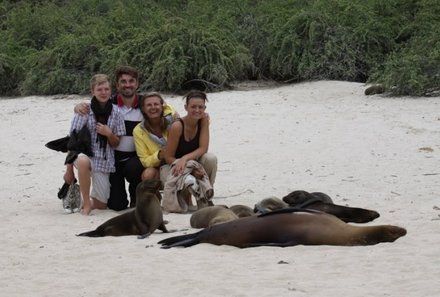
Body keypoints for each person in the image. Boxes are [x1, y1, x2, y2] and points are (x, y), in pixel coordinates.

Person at [75, 66, 146, 210]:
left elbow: (165, 111)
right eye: (123, 81)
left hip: (135, 158)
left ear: (137, 84)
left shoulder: (145, 104)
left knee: (135, 167)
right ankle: (87, 197)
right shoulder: (110, 104)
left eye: (131, 81)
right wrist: (78, 107)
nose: (128, 85)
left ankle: (136, 197)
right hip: (112, 159)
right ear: (117, 85)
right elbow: (92, 104)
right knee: (116, 205)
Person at [64, 74, 125, 215]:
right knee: (84, 161)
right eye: (99, 89)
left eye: (106, 89)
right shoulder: (84, 111)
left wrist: (108, 133)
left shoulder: (117, 113)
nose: (103, 93)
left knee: (101, 204)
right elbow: (72, 141)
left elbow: (116, 143)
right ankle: (86, 205)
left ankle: (82, 201)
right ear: (92, 91)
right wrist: (68, 170)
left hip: (104, 159)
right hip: (84, 154)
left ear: (111, 91)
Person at [161, 90, 217, 209]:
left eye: (200, 107)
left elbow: (203, 148)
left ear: (204, 108)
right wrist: (189, 170)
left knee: (210, 159)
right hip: (172, 166)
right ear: (186, 107)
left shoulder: (203, 120)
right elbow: (168, 157)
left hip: (190, 163)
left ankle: (205, 196)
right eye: (193, 107)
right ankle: (186, 196)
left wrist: (185, 159)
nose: (197, 110)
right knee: (182, 207)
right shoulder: (177, 126)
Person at [133, 92, 178, 181]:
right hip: (159, 166)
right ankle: (154, 195)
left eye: (156, 104)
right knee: (148, 174)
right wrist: (159, 155)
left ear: (162, 107)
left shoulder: (173, 120)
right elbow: (144, 161)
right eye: (149, 105)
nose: (153, 107)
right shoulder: (138, 130)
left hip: (178, 160)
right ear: (143, 109)